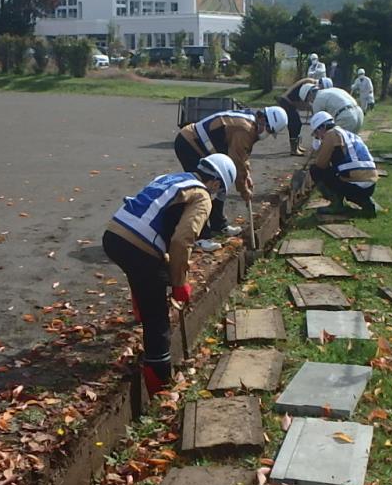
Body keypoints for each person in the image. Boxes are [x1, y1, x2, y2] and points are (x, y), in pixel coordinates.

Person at [104, 154, 236, 394]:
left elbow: (159, 224)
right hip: (138, 245)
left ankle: (141, 304)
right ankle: (159, 382)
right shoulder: (202, 196)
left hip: (114, 234)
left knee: (150, 277)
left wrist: (169, 269)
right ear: (215, 183)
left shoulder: (174, 178)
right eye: (220, 190)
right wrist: (179, 283)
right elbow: (181, 241)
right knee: (158, 319)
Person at [174, 106, 289, 250]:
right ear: (262, 119)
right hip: (189, 143)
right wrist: (244, 191)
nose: (266, 134)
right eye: (269, 130)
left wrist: (247, 177)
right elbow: (236, 163)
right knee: (203, 188)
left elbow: (242, 158)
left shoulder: (251, 125)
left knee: (221, 182)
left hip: (203, 146)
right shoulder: (245, 130)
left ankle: (218, 224)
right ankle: (202, 236)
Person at [307, 111, 380, 217]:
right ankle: (365, 202)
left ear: (321, 127)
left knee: (315, 170)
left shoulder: (331, 134)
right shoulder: (349, 134)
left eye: (316, 134)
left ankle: (336, 205)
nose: (318, 137)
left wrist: (318, 147)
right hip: (370, 185)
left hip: (355, 184)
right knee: (337, 173)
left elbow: (321, 164)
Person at [275, 78, 320, 155]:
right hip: (287, 102)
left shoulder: (310, 84)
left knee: (298, 124)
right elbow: (303, 102)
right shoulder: (309, 82)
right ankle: (293, 149)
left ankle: (297, 146)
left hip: (290, 103)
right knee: (295, 124)